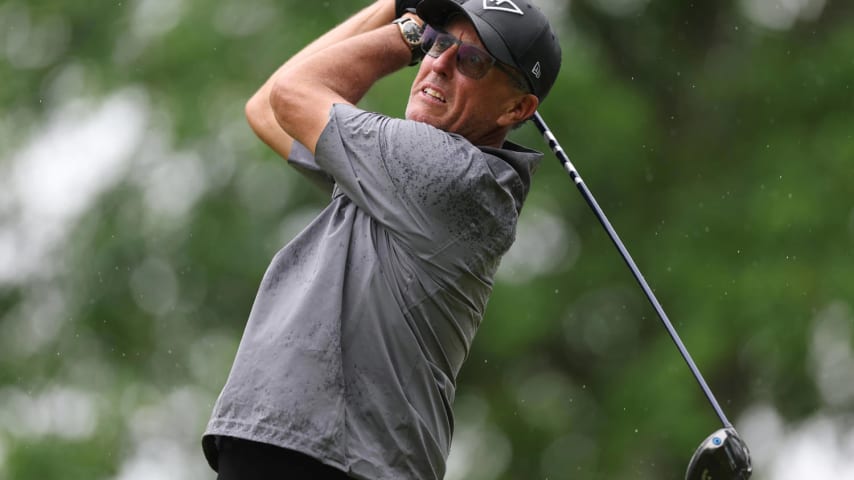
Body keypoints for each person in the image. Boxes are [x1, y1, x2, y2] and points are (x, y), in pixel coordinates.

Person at [202, 0, 562, 478]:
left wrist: (409, 28)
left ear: (518, 108)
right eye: (439, 42)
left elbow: (291, 93)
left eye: (472, 61)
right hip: (311, 451)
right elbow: (268, 109)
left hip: (341, 460)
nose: (439, 63)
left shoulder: (450, 173)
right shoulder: (393, 172)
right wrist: (396, 3)